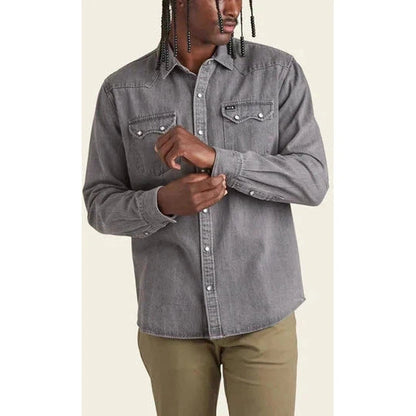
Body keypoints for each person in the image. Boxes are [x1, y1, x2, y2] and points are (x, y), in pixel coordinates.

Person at [82, 0, 329, 414]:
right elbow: (99, 203)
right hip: (172, 321)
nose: (233, 9)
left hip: (262, 313)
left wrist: (218, 158)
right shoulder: (122, 91)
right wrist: (162, 202)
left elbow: (312, 180)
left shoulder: (276, 72)